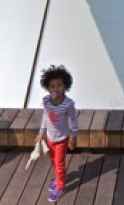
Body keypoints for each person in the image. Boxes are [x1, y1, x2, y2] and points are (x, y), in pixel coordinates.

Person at [36, 64, 78, 202]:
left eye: (59, 85)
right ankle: (59, 178)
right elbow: (45, 117)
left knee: (59, 163)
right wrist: (41, 133)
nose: (56, 88)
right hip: (49, 138)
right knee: (53, 161)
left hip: (62, 138)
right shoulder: (46, 102)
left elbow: (73, 119)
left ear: (65, 86)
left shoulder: (68, 103)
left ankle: (60, 185)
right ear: (47, 88)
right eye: (52, 86)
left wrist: (74, 137)